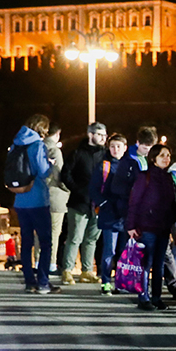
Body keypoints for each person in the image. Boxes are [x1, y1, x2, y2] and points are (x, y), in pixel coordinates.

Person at [126, 143, 176, 311]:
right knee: (145, 263)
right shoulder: (145, 177)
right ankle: (144, 297)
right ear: (153, 158)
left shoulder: (169, 178)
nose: (166, 158)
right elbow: (134, 201)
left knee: (158, 264)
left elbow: (173, 203)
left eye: (168, 155)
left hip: (163, 228)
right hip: (147, 226)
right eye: (162, 155)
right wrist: (131, 225)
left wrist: (172, 221)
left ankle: (156, 297)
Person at [11, 114, 60, 294]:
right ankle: (43, 283)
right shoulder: (37, 145)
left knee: (27, 242)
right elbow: (43, 171)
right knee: (46, 242)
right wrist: (51, 164)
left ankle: (29, 282)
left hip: (20, 199)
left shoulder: (16, 144)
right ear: (42, 128)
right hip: (38, 199)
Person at [60, 122, 107, 284]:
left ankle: (87, 270)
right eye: (100, 134)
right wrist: (78, 190)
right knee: (75, 237)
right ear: (90, 134)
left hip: (99, 205)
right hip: (80, 203)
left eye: (104, 135)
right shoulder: (77, 153)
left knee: (91, 239)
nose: (103, 138)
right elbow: (65, 174)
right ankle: (67, 270)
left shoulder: (106, 155)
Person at [91, 133, 133, 295]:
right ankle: (106, 283)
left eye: (119, 146)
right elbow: (93, 189)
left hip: (126, 215)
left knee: (124, 252)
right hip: (110, 214)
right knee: (109, 250)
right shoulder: (104, 166)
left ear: (125, 148)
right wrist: (103, 203)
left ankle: (121, 282)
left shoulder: (130, 165)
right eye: (113, 146)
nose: (115, 149)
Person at [36, 124, 70, 283]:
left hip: (38, 195)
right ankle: (50, 264)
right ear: (57, 134)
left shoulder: (36, 147)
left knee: (40, 231)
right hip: (55, 196)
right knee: (54, 232)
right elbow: (60, 174)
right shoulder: (55, 150)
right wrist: (68, 189)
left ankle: (36, 261)